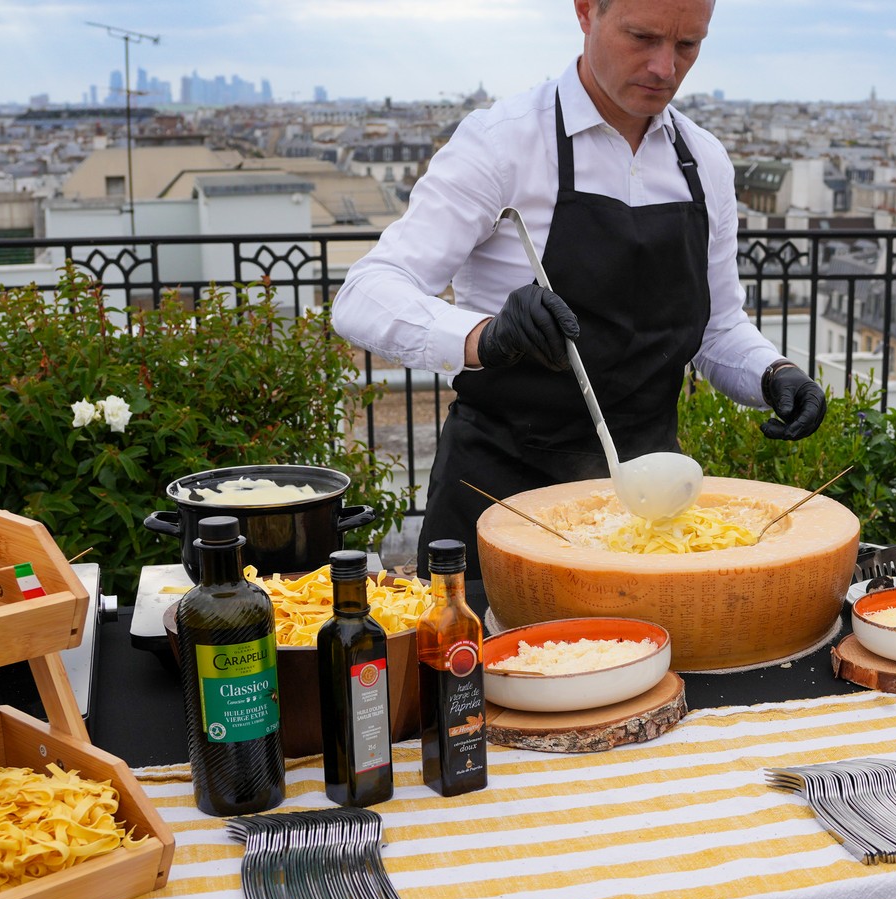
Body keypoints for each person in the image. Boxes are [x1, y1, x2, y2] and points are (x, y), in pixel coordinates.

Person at [330, 0, 826, 576]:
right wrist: (484, 335)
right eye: (641, 37)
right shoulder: (503, 144)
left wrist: (774, 375)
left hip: (647, 513)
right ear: (586, 11)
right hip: (498, 497)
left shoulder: (704, 162)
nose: (665, 68)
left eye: (687, 45)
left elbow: (716, 327)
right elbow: (364, 293)